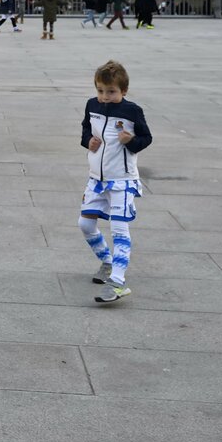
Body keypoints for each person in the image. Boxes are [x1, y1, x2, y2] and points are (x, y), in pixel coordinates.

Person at [78, 59, 153, 304]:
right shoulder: (91, 105)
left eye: (111, 92)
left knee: (119, 230)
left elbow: (146, 138)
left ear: (123, 91)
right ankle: (108, 262)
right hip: (96, 179)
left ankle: (118, 281)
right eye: (100, 90)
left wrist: (130, 141)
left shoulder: (132, 111)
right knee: (85, 225)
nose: (105, 96)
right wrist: (88, 140)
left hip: (122, 180)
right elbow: (85, 131)